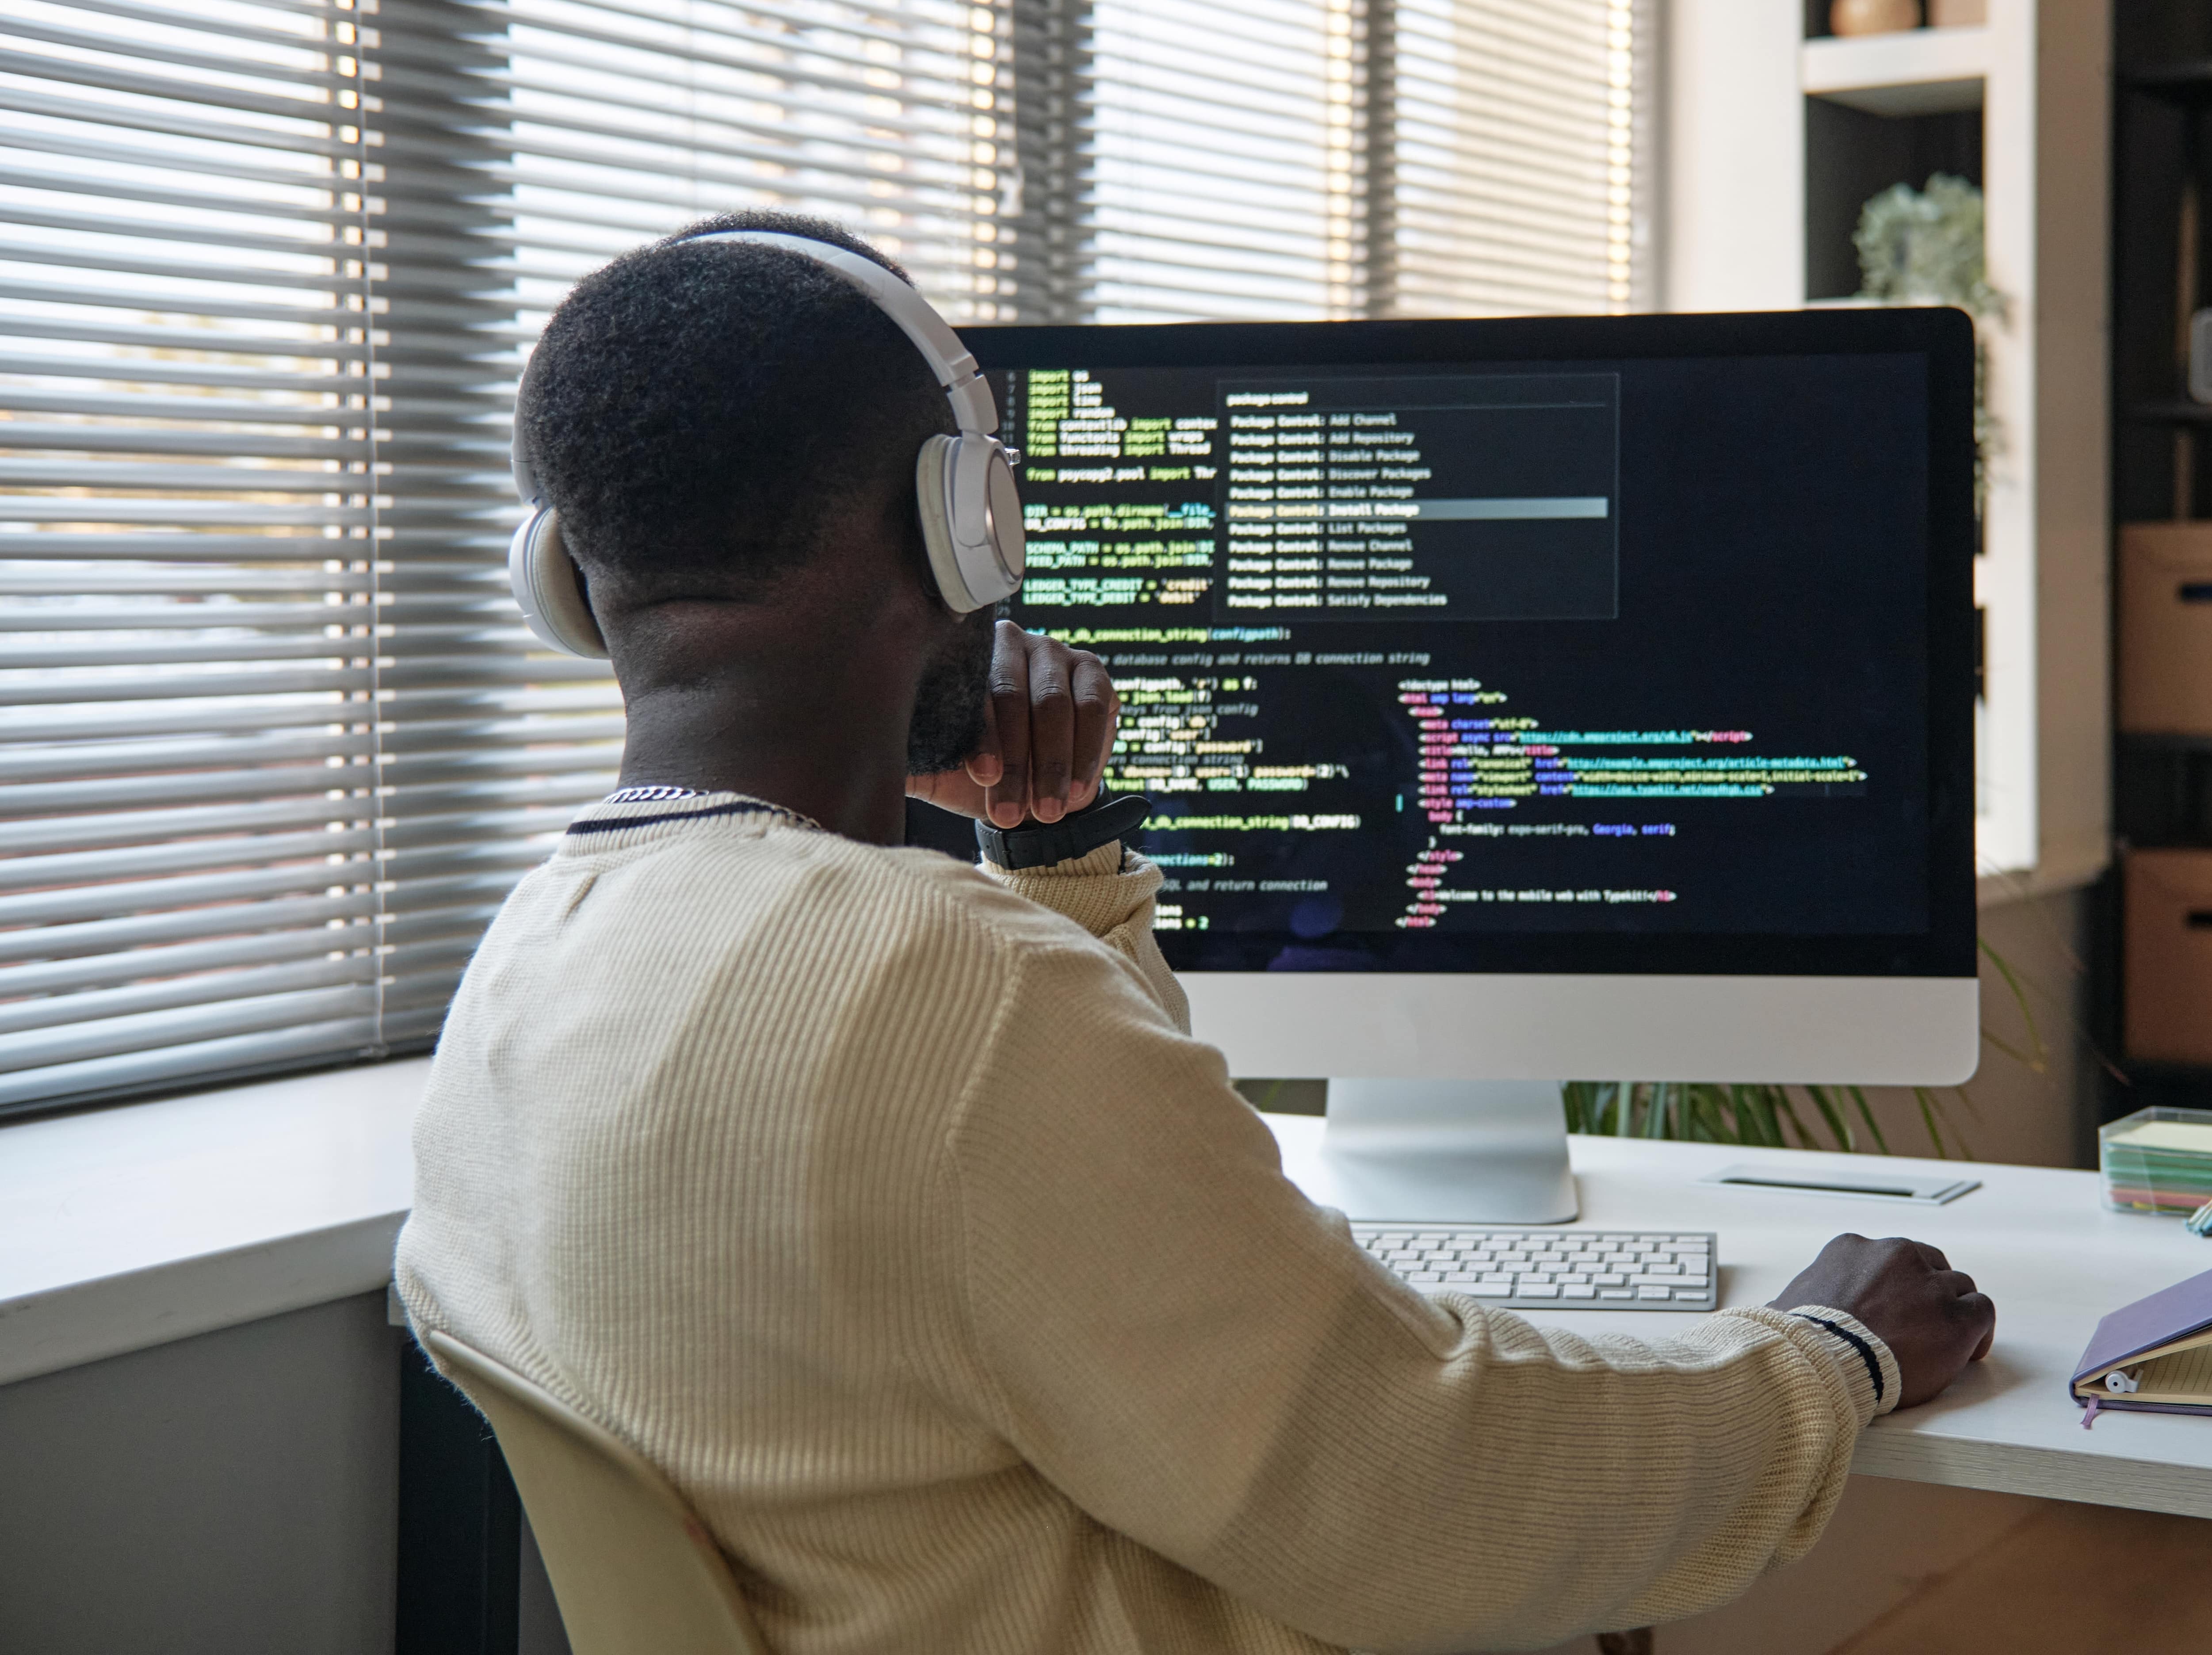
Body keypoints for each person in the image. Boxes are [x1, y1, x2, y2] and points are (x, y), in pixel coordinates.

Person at [393, 213, 1998, 1655]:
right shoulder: (956, 998)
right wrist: (1827, 1353)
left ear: (570, 580)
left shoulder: (527, 975)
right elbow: (1428, 1501)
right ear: (961, 527)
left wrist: (1063, 859)